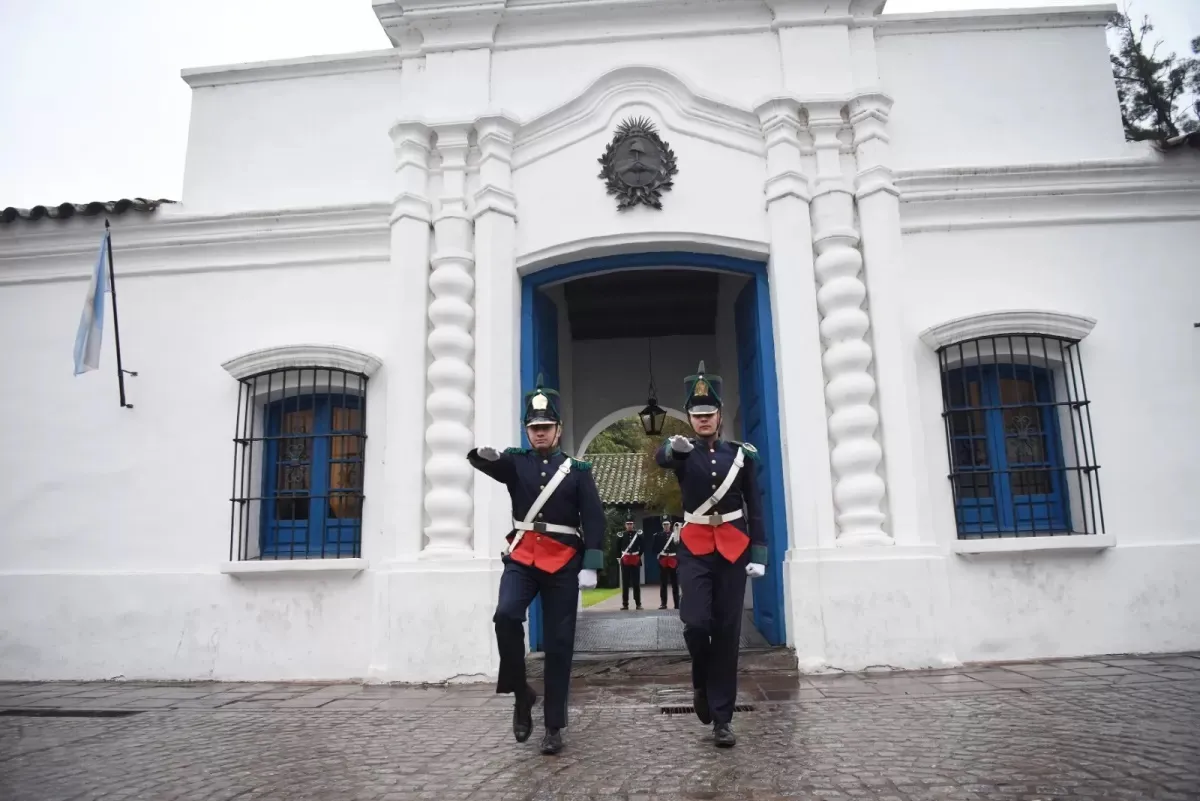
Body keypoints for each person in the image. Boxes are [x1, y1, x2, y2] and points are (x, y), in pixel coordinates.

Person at [467, 376, 605, 755]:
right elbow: (490, 466)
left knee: (560, 645)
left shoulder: (577, 470)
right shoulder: (516, 462)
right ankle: (521, 692)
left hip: (563, 561)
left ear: (558, 429)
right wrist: (482, 455)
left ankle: (554, 727)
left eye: (545, 427)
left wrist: (591, 562)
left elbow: (593, 518)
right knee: (506, 616)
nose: (539, 433)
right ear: (527, 431)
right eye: (533, 428)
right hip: (523, 556)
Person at [655, 361, 767, 748]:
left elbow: (756, 504)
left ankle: (722, 718)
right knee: (696, 623)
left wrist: (760, 551)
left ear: (719, 416)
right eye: (697, 414)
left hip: (734, 548)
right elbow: (662, 457)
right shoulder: (682, 451)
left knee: (727, 633)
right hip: (696, 548)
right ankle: (700, 681)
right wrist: (673, 447)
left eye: (709, 414)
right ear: (689, 417)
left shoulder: (742, 455)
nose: (703, 420)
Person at [616, 512, 644, 610]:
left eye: (631, 524)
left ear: (633, 524)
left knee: (636, 583)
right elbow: (617, 548)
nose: (629, 526)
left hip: (635, 560)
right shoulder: (621, 535)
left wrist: (638, 555)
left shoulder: (638, 535)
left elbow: (643, 547)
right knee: (625, 583)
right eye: (628, 524)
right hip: (625, 560)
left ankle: (638, 603)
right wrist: (619, 558)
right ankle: (625, 604)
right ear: (625, 525)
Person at [654, 519, 681, 610]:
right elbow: (654, 548)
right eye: (664, 524)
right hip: (663, 560)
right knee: (663, 583)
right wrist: (659, 556)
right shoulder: (658, 536)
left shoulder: (675, 535)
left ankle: (677, 603)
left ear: (670, 525)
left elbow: (679, 547)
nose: (666, 526)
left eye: (667, 524)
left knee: (675, 583)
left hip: (673, 559)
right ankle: (663, 603)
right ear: (662, 525)